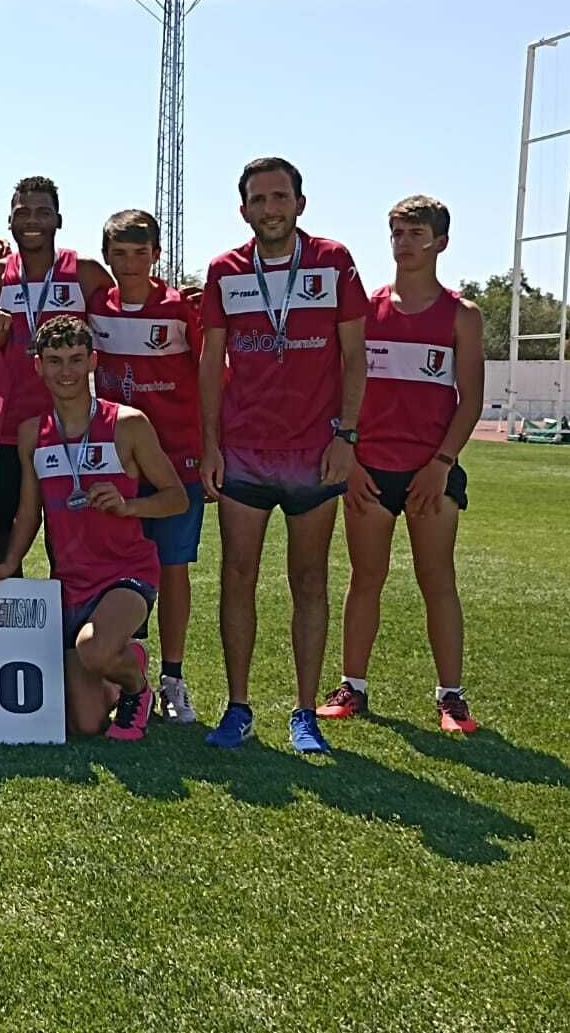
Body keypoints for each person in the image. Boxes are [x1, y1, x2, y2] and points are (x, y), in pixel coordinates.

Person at [199, 156, 368, 754]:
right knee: (237, 577)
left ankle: (304, 712)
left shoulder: (333, 261)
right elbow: (210, 364)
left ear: (300, 202)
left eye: (279, 197)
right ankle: (238, 706)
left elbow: (355, 358)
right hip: (243, 452)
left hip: (313, 453)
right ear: (243, 208)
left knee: (309, 580)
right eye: (258, 199)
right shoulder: (224, 270)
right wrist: (211, 445)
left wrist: (346, 437)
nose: (269, 208)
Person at [320, 195, 483, 733]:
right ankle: (353, 688)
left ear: (440, 242)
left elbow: (471, 399)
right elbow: (339, 388)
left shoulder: (461, 315)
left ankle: (451, 698)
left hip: (431, 472)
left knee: (437, 580)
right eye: (397, 233)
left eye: (416, 233)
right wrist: (354, 460)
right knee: (366, 579)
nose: (404, 243)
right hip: (370, 470)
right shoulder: (365, 309)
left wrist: (441, 463)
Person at [0, 316, 187, 740]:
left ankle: (136, 686)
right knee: (85, 725)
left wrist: (128, 506)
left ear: (93, 361)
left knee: (91, 649)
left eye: (77, 359)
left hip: (125, 575)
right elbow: (29, 512)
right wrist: (9, 564)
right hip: (69, 584)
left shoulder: (128, 423)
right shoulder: (31, 434)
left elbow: (176, 498)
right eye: (55, 360)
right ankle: (122, 658)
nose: (67, 371)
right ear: (37, 366)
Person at [88, 210, 205, 722]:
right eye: (120, 253)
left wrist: (212, 449)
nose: (130, 263)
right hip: (119, 466)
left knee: (173, 568)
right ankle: (126, 667)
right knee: (121, 570)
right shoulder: (97, 307)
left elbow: (209, 379)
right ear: (107, 256)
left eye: (141, 252)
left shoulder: (182, 308)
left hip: (177, 461)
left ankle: (173, 678)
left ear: (158, 255)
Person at [0, 178, 111, 577]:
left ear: (59, 219)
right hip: (4, 431)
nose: (32, 220)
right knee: (6, 539)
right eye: (23, 212)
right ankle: (9, 637)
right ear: (9, 221)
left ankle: (72, 637)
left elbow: (121, 324)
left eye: (42, 212)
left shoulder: (86, 273)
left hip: (69, 430)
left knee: (70, 543)